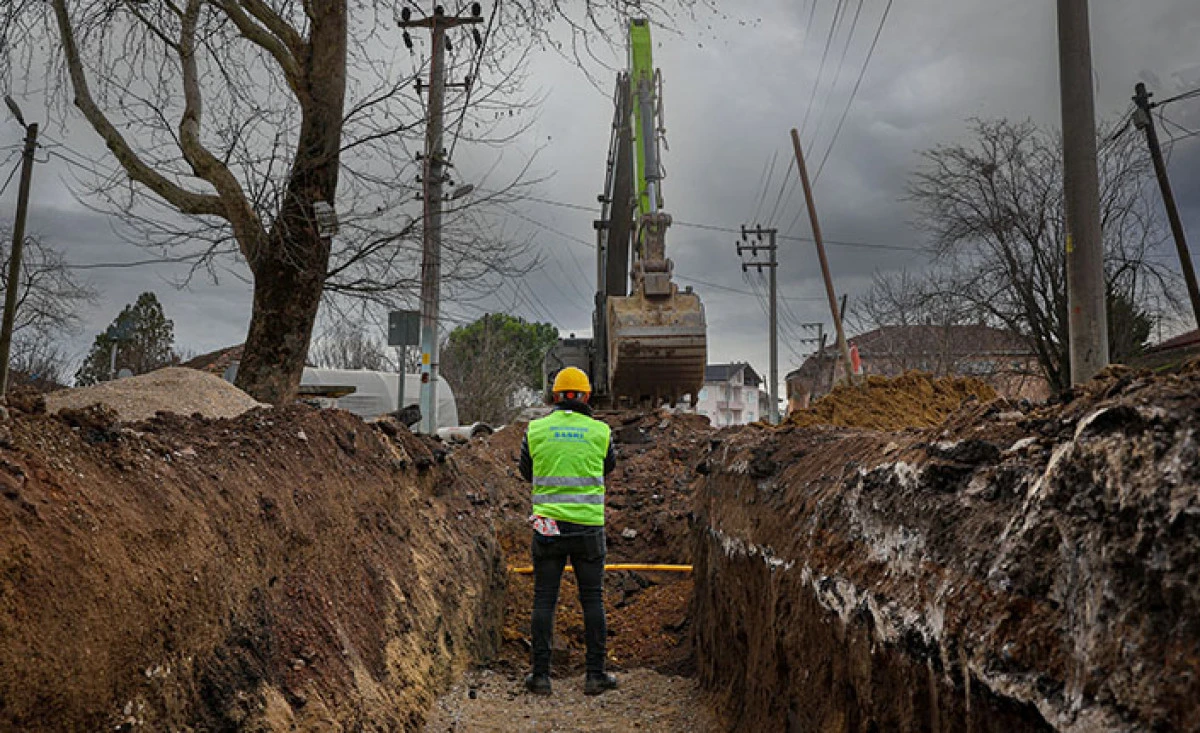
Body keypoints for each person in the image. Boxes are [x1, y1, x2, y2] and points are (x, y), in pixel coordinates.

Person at [518, 366, 618, 696]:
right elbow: (608, 467)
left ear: (554, 397)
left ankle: (541, 676)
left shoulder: (535, 430)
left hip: (547, 526)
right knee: (592, 599)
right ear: (587, 396)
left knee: (544, 599)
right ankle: (595, 675)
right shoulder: (601, 432)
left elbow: (526, 472)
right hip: (589, 527)